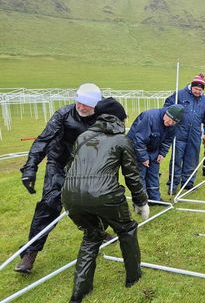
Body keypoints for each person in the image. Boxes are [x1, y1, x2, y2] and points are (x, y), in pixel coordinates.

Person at [61, 98, 149, 303]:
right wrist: (141, 201)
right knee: (126, 230)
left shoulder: (82, 137)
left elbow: (69, 167)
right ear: (118, 118)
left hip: (71, 194)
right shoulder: (121, 140)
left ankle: (79, 292)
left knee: (91, 235)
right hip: (105, 194)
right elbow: (132, 176)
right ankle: (133, 277)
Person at [16, 83, 102, 274]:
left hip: (83, 167)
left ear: (96, 105)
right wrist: (30, 168)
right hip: (58, 163)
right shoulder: (63, 115)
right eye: (79, 102)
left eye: (86, 104)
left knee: (89, 201)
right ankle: (30, 253)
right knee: (50, 204)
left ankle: (97, 232)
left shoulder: (102, 117)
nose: (81, 107)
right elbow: (43, 141)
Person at [164, 73, 205, 194]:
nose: (197, 91)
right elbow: (167, 106)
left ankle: (188, 183)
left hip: (195, 134)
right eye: (196, 89)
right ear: (192, 86)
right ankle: (173, 185)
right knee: (176, 159)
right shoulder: (179, 95)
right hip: (179, 132)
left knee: (192, 159)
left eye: (200, 90)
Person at [127, 104, 185, 203]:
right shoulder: (150, 117)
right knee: (140, 175)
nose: (170, 123)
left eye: (174, 122)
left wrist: (162, 153)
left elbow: (168, 140)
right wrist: (144, 158)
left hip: (154, 149)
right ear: (166, 113)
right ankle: (141, 201)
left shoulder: (173, 125)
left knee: (153, 174)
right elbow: (139, 140)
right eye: (170, 119)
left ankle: (155, 199)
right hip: (137, 149)